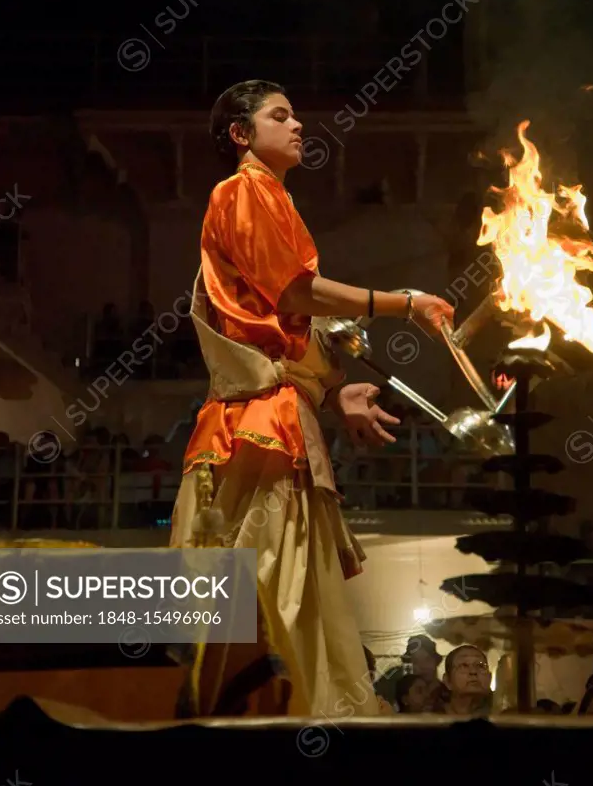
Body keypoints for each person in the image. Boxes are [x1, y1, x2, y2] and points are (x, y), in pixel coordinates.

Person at [169, 79, 454, 718]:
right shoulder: (239, 192)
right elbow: (299, 296)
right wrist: (402, 303)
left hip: (279, 422)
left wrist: (331, 394)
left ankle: (285, 722)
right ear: (242, 135)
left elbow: (286, 327)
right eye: (281, 116)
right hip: (254, 432)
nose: (298, 125)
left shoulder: (270, 200)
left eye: (296, 114)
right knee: (270, 599)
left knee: (285, 596)